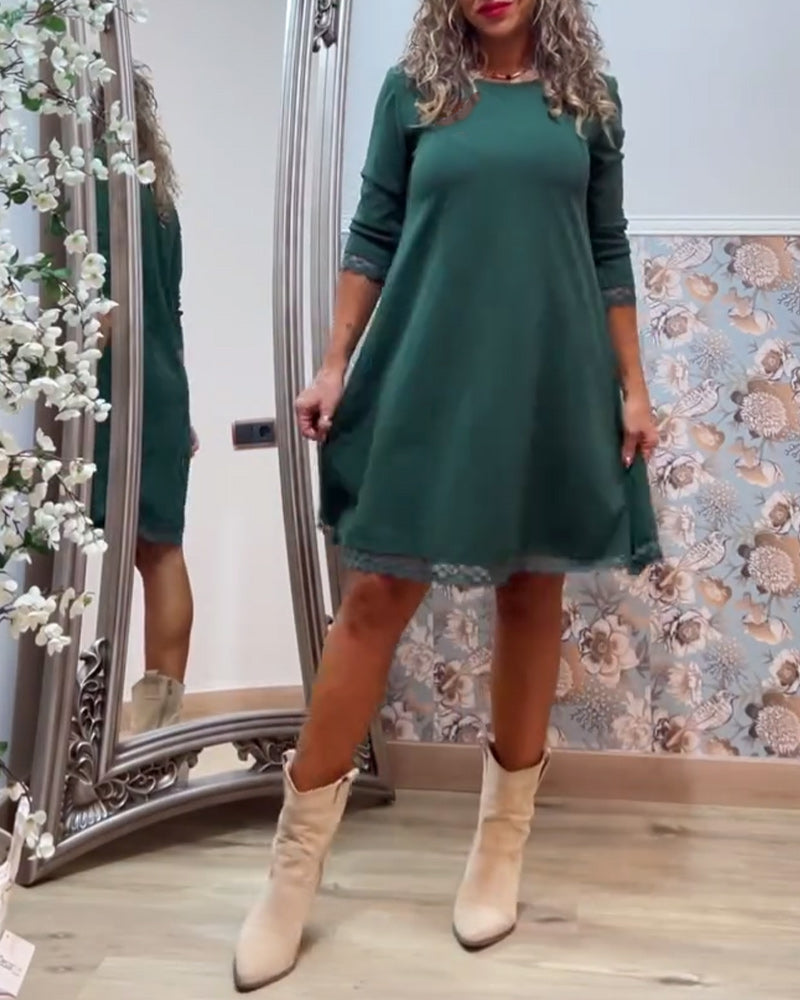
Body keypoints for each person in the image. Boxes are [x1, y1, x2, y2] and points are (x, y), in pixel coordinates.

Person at [234, 0, 662, 990]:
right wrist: (334, 363)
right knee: (374, 597)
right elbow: (372, 232)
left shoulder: (588, 101)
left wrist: (633, 386)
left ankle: (498, 852)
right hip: (427, 370)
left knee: (531, 591)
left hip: (548, 375)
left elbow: (606, 247)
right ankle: (290, 875)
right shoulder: (411, 93)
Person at [91, 66, 197, 734]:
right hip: (162, 388)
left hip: (106, 388)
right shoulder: (159, 203)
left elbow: (100, 315)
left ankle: (72, 730)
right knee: (161, 551)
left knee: (81, 556)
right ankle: (161, 730)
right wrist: (182, 413)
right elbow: (171, 313)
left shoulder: (87, 193)